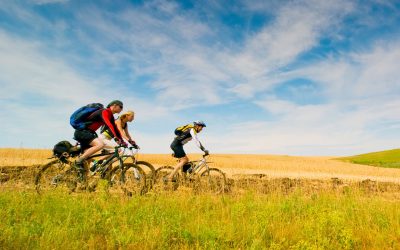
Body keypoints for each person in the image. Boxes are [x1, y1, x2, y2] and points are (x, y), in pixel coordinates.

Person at [73, 100, 126, 175]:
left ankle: (82, 182)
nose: (122, 109)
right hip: (83, 132)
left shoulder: (110, 115)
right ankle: (78, 161)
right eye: (121, 107)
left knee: (87, 160)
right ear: (114, 105)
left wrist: (121, 140)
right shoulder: (105, 112)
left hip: (88, 133)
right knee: (100, 145)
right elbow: (109, 125)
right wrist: (117, 138)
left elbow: (115, 128)